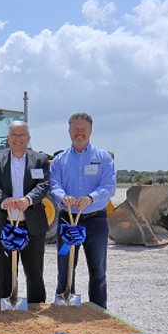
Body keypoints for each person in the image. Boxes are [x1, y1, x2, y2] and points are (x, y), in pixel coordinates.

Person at [49, 112, 116, 309]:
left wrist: (90, 198)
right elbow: (54, 185)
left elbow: (109, 186)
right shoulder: (59, 160)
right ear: (69, 131)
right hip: (67, 221)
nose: (79, 133)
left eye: (83, 129)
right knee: (65, 267)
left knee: (98, 270)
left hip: (96, 222)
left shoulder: (103, 158)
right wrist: (63, 196)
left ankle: (98, 310)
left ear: (90, 131)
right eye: (75, 129)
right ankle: (64, 307)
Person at [0, 121, 51, 304]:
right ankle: (7, 306)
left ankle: (36, 306)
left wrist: (28, 200)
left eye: (22, 134)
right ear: (8, 138)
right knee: (6, 271)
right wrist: (4, 200)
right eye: (14, 135)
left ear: (28, 137)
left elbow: (43, 185)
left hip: (32, 225)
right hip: (5, 224)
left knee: (34, 271)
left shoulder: (39, 160)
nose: (18, 138)